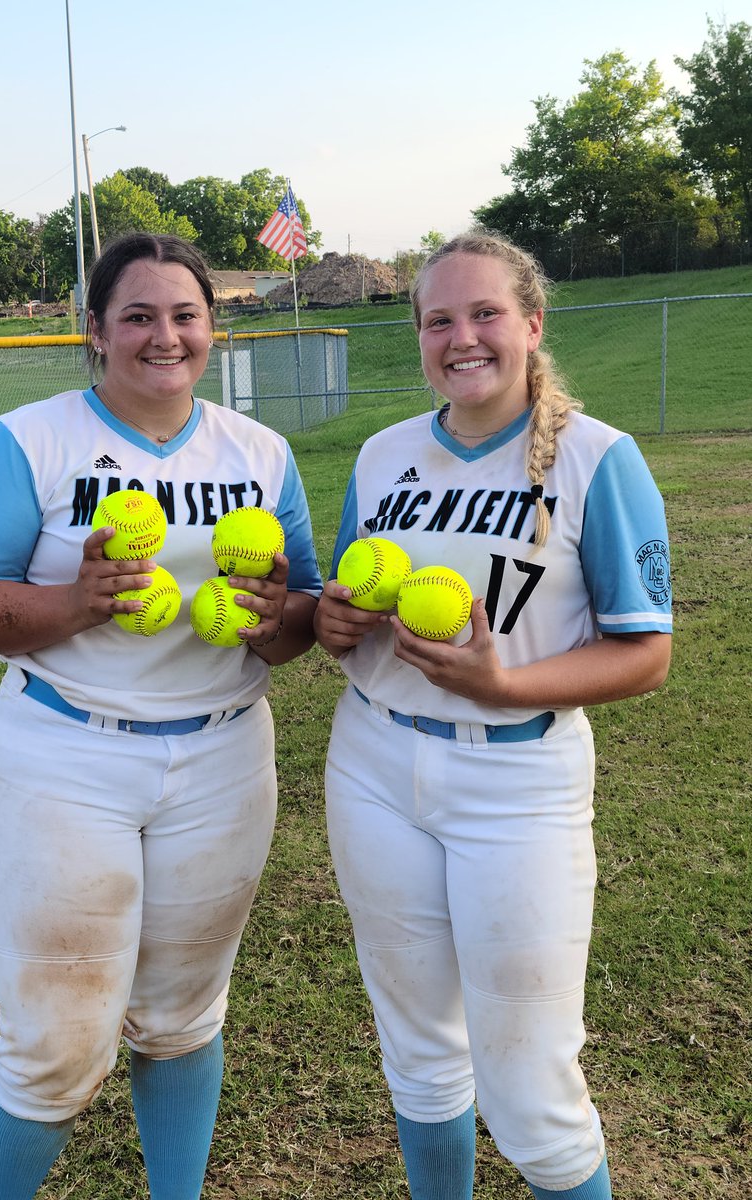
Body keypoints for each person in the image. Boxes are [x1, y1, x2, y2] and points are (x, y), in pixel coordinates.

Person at [0, 232, 322, 1199]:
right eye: (138, 315)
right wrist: (78, 601)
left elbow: (301, 618)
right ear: (94, 331)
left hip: (225, 754)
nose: (164, 336)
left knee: (185, 1015)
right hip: (65, 751)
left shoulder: (260, 454)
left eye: (184, 315)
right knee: (55, 1047)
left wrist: (277, 620)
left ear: (213, 328)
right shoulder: (33, 439)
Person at [314, 230, 672, 1200]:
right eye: (439, 320)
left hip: (518, 777)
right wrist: (333, 618)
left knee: (530, 1089)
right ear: (420, 337)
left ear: (530, 325)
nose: (461, 337)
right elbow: (340, 619)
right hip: (374, 768)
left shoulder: (598, 460)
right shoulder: (386, 456)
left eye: (484, 315)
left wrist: (501, 685)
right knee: (421, 1052)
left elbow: (647, 653)